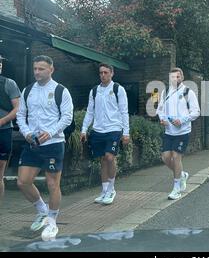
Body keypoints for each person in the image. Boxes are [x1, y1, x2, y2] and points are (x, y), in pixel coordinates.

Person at [16, 55, 73, 241]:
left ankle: (52, 222)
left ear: (51, 69)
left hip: (53, 144)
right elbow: (21, 115)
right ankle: (41, 210)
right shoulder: (27, 90)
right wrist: (26, 133)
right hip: (32, 143)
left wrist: (50, 132)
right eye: (35, 69)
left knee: (52, 184)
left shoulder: (60, 91)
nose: (37, 72)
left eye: (41, 69)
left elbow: (67, 117)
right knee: (23, 181)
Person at [81, 63, 130, 205]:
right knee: (102, 160)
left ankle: (111, 189)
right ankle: (104, 191)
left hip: (114, 128)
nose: (103, 75)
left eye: (106, 72)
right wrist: (84, 129)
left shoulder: (118, 89)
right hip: (98, 130)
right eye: (101, 73)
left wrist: (126, 132)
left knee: (109, 157)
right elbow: (90, 112)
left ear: (112, 73)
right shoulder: (94, 91)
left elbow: (124, 111)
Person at [156, 67, 200, 200]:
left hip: (182, 131)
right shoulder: (165, 92)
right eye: (173, 77)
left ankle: (176, 188)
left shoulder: (188, 92)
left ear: (182, 77)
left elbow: (196, 112)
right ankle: (182, 175)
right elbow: (159, 109)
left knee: (176, 157)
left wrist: (182, 120)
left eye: (178, 76)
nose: (175, 79)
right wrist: (162, 119)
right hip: (169, 131)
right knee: (165, 157)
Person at [0, 55, 21, 201]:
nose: (0, 66)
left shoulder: (8, 83)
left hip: (3, 131)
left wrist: (2, 121)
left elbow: (18, 108)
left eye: (0, 63)